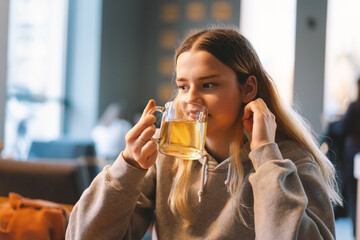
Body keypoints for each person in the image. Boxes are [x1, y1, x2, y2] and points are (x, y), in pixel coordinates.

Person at [66, 28, 342, 239]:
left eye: (208, 85)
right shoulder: (166, 156)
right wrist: (127, 167)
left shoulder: (290, 160)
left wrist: (266, 158)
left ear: (248, 89)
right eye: (183, 86)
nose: (190, 100)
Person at [337, 77, 360, 237]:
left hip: (353, 153)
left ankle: (356, 231)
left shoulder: (354, 106)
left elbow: (341, 128)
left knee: (353, 193)